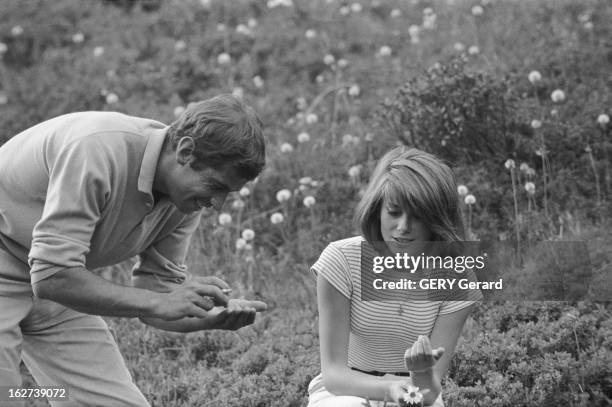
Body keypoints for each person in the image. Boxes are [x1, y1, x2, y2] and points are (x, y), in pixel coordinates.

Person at [0, 94, 268, 406]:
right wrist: (159, 302)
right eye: (217, 186)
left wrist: (207, 316)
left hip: (59, 286)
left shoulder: (185, 202)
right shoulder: (96, 148)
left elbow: (156, 297)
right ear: (185, 151)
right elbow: (51, 276)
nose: (216, 204)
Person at [307, 147, 482, 407]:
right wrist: (388, 388)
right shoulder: (341, 259)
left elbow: (429, 392)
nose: (402, 227)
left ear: (437, 219)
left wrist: (421, 373)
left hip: (414, 391)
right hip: (346, 390)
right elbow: (334, 375)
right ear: (377, 209)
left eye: (418, 216)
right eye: (394, 212)